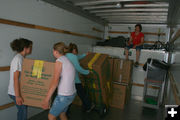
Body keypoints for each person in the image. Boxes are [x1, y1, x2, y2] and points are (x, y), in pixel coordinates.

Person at [42, 42, 76, 120]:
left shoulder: (59, 61)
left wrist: (46, 100)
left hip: (64, 95)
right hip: (71, 94)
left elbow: (55, 82)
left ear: (56, 51)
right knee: (62, 114)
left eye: (53, 50)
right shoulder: (66, 59)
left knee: (51, 116)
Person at [66, 43, 95, 113]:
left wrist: (85, 54)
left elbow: (77, 57)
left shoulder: (66, 56)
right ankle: (89, 106)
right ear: (74, 50)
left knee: (68, 96)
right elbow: (78, 68)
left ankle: (65, 112)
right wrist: (88, 72)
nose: (76, 52)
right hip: (75, 80)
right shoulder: (73, 56)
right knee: (82, 94)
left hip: (67, 81)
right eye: (76, 51)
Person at [8, 38, 33, 120]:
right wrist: (18, 96)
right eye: (30, 47)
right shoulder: (18, 59)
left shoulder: (21, 58)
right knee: (23, 113)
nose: (31, 48)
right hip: (15, 92)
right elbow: (16, 79)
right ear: (25, 48)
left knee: (22, 112)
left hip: (19, 91)